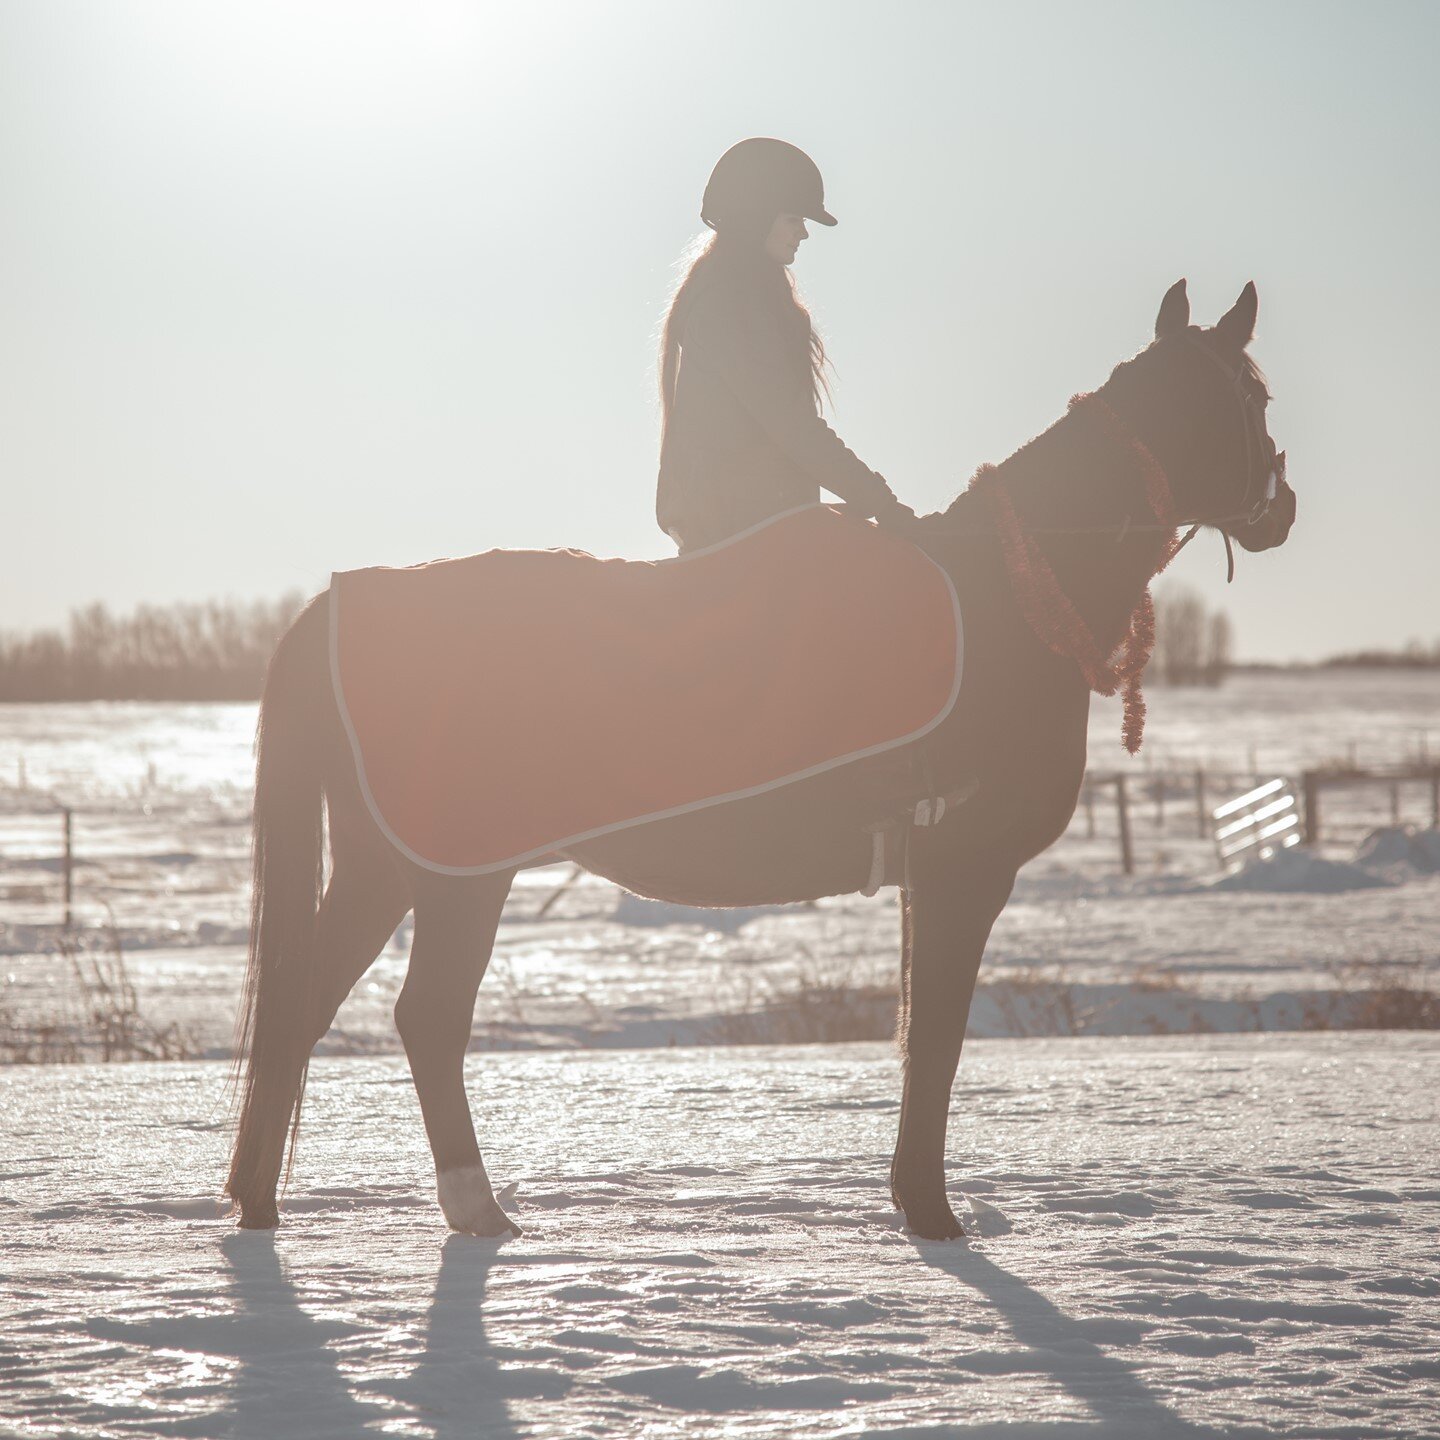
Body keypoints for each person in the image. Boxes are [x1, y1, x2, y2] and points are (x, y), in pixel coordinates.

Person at [656, 137, 916, 553]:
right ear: (755, 215)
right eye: (794, 218)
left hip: (752, 523)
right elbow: (791, 424)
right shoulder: (731, 303)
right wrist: (880, 502)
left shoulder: (734, 296)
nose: (804, 233)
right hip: (746, 532)